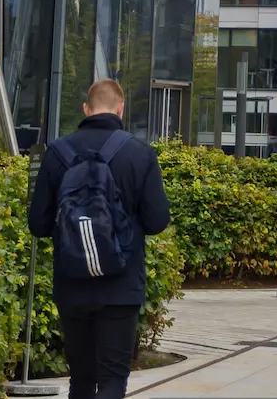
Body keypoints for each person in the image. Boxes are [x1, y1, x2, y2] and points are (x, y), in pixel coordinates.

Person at [28, 79, 171, 399]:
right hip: (121, 286)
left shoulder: (57, 152)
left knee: (80, 380)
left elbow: (37, 224)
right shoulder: (140, 154)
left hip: (72, 285)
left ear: (85, 109)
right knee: (112, 380)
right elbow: (157, 221)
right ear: (121, 109)